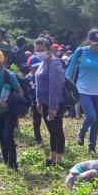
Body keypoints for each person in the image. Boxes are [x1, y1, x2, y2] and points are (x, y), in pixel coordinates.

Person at [66, 28, 98, 155]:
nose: (97, 45)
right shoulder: (80, 51)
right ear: (89, 41)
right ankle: (82, 132)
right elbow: (71, 68)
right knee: (91, 116)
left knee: (96, 121)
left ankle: (92, 147)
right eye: (94, 42)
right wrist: (65, 83)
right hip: (82, 89)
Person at [34, 35, 67, 167]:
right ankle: (52, 157)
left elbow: (55, 87)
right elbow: (38, 82)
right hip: (44, 103)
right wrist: (38, 101)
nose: (39, 52)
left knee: (57, 131)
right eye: (37, 50)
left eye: (41, 50)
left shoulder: (54, 64)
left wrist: (52, 107)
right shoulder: (43, 62)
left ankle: (59, 160)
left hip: (54, 103)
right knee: (51, 131)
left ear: (48, 49)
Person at [26, 55, 43, 146]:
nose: (37, 68)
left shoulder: (42, 75)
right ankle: (38, 139)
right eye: (35, 66)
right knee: (36, 122)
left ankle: (55, 138)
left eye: (38, 66)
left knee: (50, 121)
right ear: (29, 67)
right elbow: (27, 92)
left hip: (44, 102)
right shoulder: (27, 78)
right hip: (34, 103)